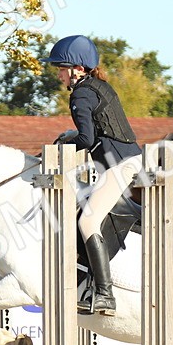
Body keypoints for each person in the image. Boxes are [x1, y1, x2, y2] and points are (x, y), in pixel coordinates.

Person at [41, 35, 143, 315]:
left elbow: (86, 140)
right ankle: (87, 283)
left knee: (87, 222)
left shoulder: (82, 93)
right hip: (118, 161)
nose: (59, 74)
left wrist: (62, 144)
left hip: (118, 164)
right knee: (78, 215)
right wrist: (72, 135)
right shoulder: (98, 87)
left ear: (77, 68)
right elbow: (94, 133)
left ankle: (105, 294)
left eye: (61, 68)